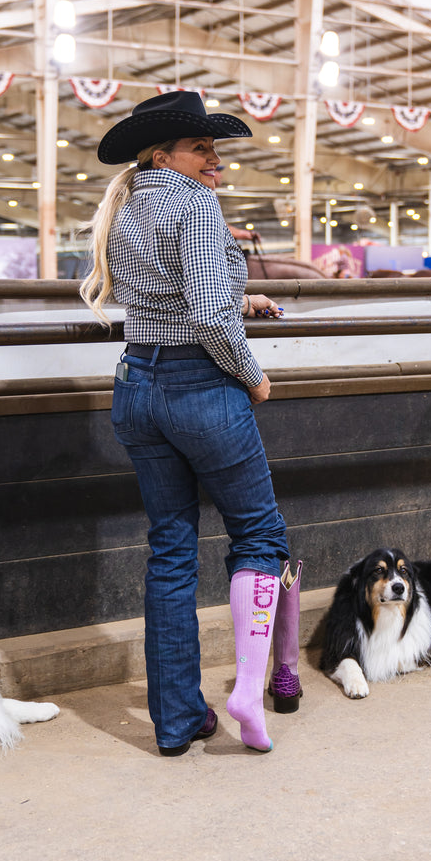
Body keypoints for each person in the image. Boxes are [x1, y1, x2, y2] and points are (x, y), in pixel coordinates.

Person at [80, 90, 301, 756]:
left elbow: (174, 295)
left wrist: (240, 296)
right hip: (199, 386)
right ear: (162, 154)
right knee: (260, 535)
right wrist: (252, 375)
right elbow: (205, 317)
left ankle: (177, 721)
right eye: (201, 148)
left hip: (136, 385)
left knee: (171, 552)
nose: (215, 161)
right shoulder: (197, 206)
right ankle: (249, 687)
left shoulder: (126, 207)